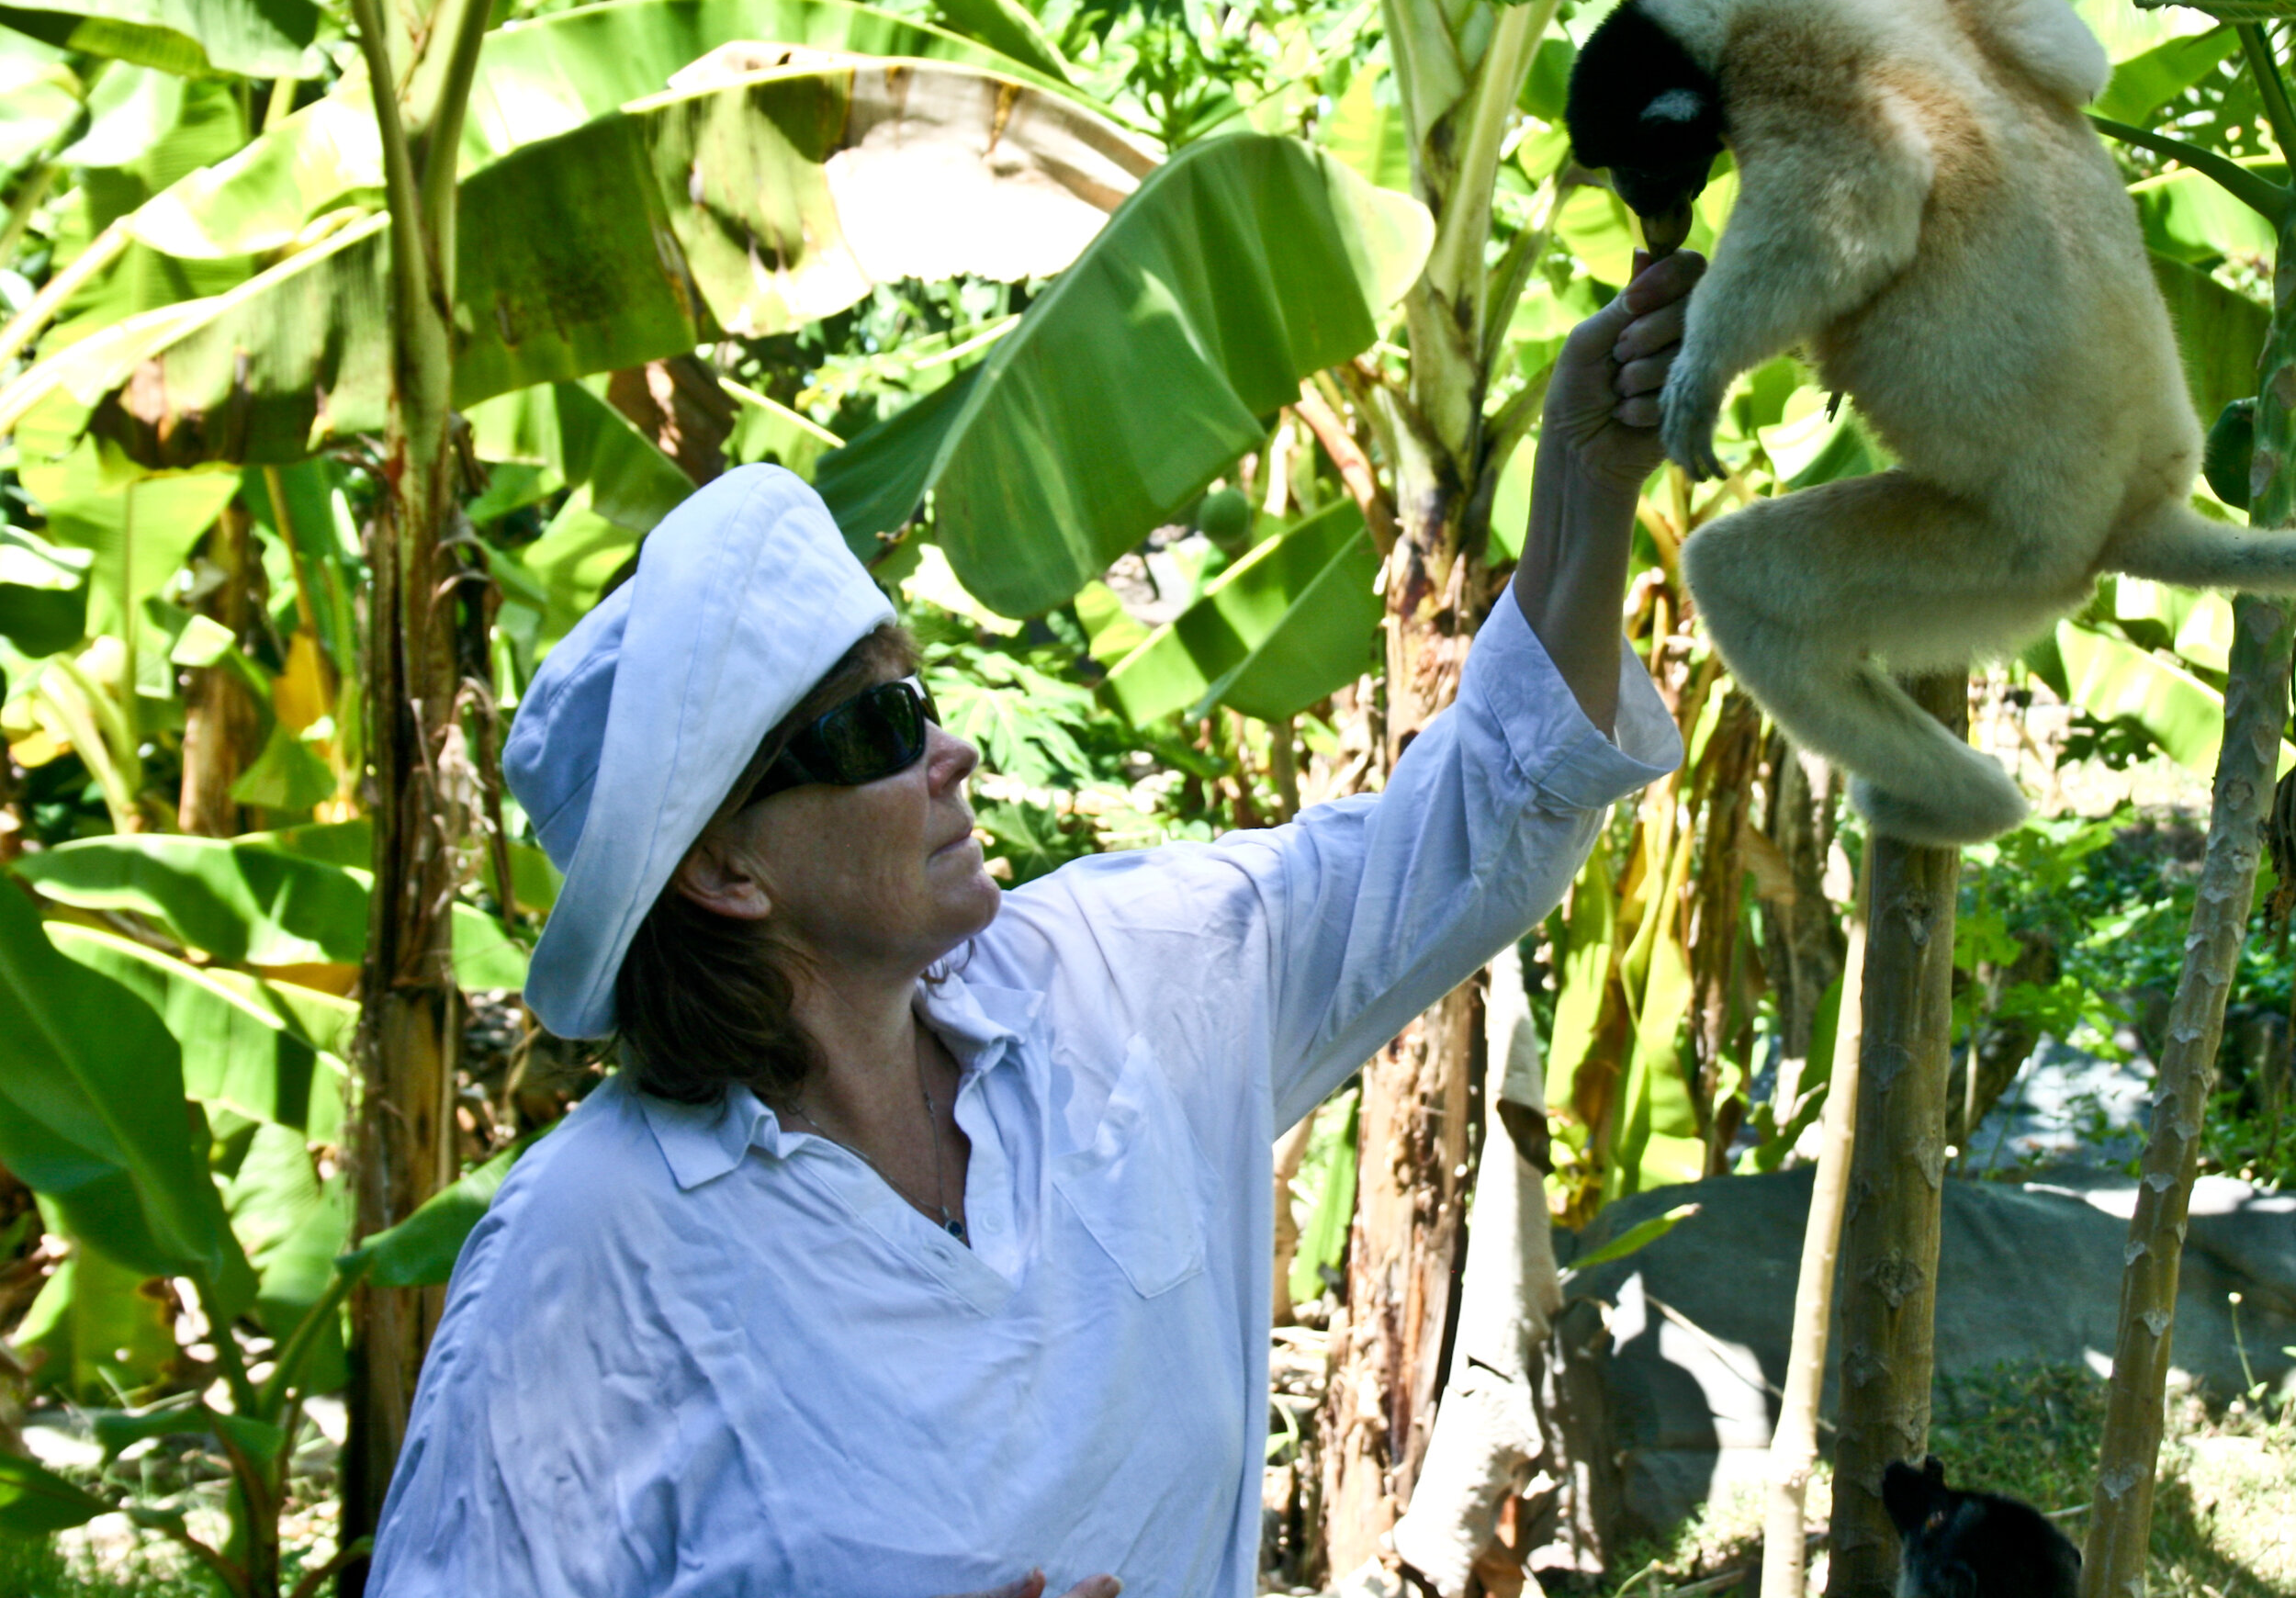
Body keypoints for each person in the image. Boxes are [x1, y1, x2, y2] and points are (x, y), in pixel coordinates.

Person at [365, 249, 1703, 1598]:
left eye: (920, 693)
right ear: (725, 871)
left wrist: (1587, 494)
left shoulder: (1126, 981)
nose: (947, 750)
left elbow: (1470, 830)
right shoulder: (587, 1252)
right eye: (881, 726)